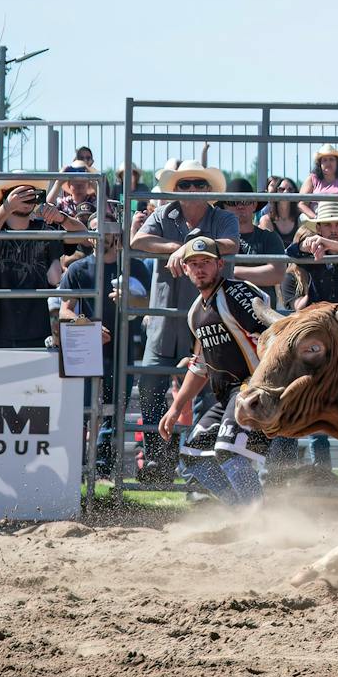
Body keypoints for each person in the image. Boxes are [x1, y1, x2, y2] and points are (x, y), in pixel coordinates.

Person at [128, 159, 239, 484]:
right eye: (185, 185)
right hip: (165, 323)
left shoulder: (223, 217)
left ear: (209, 190)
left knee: (211, 394)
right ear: (175, 190)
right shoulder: (163, 215)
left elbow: (232, 244)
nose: (192, 190)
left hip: (211, 322)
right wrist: (178, 248)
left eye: (199, 185)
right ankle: (158, 459)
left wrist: (190, 250)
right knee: (149, 387)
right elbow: (138, 242)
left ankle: (201, 469)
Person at [157, 236, 279, 506]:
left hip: (255, 390)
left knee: (228, 452)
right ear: (185, 269)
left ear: (220, 265)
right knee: (193, 456)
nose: (200, 269)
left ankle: (258, 516)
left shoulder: (237, 293)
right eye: (193, 263)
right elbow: (200, 366)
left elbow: (273, 334)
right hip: (229, 396)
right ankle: (242, 511)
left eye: (206, 263)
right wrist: (176, 408)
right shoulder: (194, 313)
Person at [55, 207, 148, 477]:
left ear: (116, 233)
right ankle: (78, 467)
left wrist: (132, 301)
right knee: (81, 409)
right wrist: (87, 328)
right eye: (96, 228)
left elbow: (147, 305)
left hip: (121, 348)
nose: (101, 234)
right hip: (84, 347)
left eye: (107, 228)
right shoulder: (77, 268)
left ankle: (104, 469)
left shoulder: (133, 265)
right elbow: (65, 310)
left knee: (115, 409)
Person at [0, 177, 75, 348]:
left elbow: (84, 235)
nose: (26, 197)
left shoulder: (46, 230)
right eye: (18, 192)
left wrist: (61, 218)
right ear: (4, 197)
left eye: (31, 193)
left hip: (35, 330)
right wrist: (8, 207)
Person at [221, 177, 288, 292]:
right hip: (226, 308)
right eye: (233, 202)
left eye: (246, 201)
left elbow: (278, 273)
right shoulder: (217, 238)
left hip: (262, 308)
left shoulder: (269, 238)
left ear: (254, 204)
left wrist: (232, 272)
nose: (240, 206)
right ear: (225, 207)